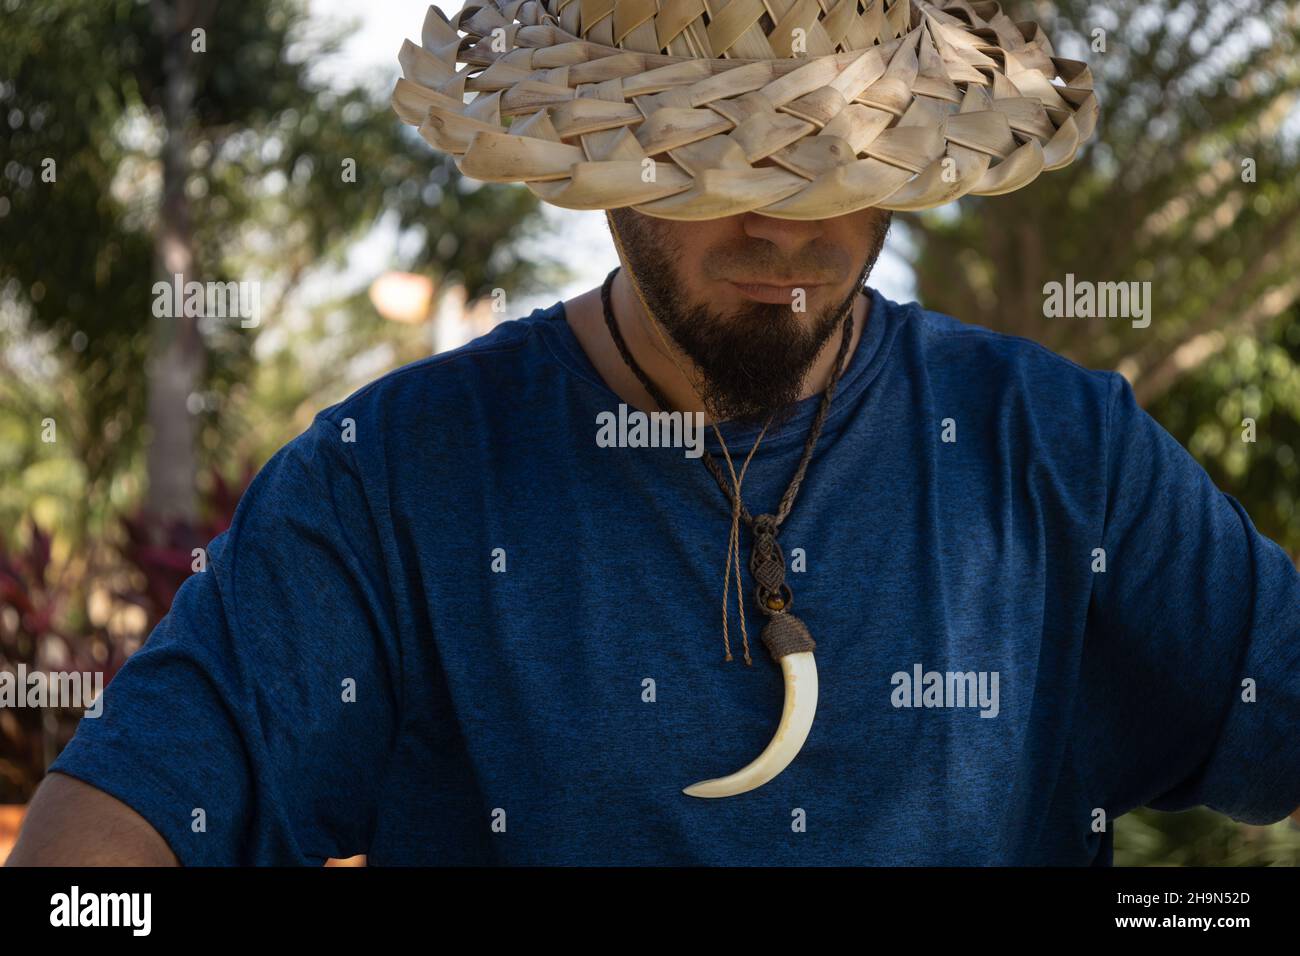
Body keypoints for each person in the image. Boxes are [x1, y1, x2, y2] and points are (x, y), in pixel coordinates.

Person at [10, 0, 1299, 866]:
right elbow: (94, 859)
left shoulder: (1059, 452)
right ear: (604, 161)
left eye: (845, 167)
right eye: (721, 169)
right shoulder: (401, 483)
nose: (788, 228)